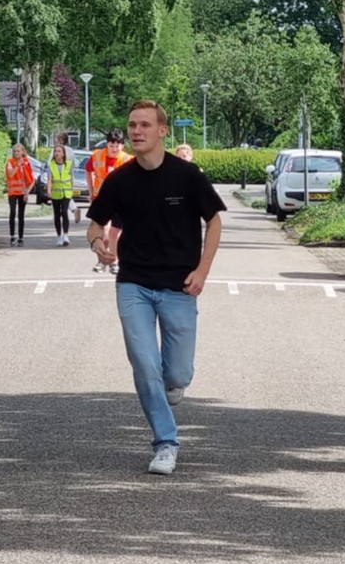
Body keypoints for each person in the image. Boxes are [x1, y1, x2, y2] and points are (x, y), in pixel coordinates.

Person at [86, 101, 224, 476]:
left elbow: (214, 222)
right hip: (133, 283)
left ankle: (172, 386)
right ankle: (165, 443)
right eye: (132, 124)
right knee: (144, 363)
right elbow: (94, 226)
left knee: (176, 375)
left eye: (145, 124)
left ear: (162, 130)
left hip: (179, 285)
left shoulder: (187, 175)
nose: (136, 131)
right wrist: (98, 245)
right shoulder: (120, 180)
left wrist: (203, 270)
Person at [87, 129, 131, 274]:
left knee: (115, 233)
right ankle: (102, 259)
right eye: (111, 145)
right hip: (102, 199)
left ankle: (114, 260)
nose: (114, 149)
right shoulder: (97, 156)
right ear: (107, 144)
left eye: (117, 146)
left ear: (122, 146)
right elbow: (88, 170)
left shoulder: (128, 160)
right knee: (103, 231)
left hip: (121, 201)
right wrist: (90, 190)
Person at [4, 143, 36, 246]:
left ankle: (21, 238)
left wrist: (27, 192)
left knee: (21, 215)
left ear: (22, 152)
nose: (16, 153)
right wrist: (18, 165)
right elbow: (10, 174)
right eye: (14, 151)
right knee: (12, 212)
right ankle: (12, 236)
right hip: (12, 191)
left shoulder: (26, 163)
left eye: (18, 151)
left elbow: (31, 180)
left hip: (22, 192)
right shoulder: (10, 162)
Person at [45, 144, 75, 246]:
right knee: (57, 215)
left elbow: (71, 178)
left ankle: (66, 235)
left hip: (66, 192)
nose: (56, 153)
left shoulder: (68, 164)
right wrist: (48, 191)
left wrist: (72, 189)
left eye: (59, 151)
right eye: (55, 151)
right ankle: (59, 236)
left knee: (65, 212)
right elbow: (49, 179)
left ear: (63, 154)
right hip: (56, 193)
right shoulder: (51, 165)